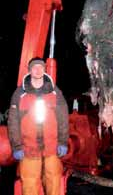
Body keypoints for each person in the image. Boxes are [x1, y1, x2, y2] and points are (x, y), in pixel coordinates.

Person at [7, 57, 69, 195]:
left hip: (52, 146)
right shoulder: (19, 94)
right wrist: (17, 146)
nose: (38, 70)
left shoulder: (55, 92)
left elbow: (63, 119)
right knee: (29, 183)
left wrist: (63, 142)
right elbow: (13, 122)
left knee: (54, 180)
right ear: (29, 71)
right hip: (28, 147)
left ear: (45, 70)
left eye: (41, 67)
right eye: (34, 67)